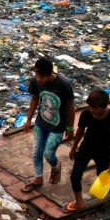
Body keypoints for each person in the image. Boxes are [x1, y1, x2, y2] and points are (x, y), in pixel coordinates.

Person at [64, 89, 110, 213]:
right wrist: (74, 147)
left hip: (104, 152)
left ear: (103, 106)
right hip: (86, 147)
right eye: (90, 106)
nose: (91, 110)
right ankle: (79, 202)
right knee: (75, 176)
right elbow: (80, 130)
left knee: (102, 178)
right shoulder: (86, 114)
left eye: (94, 108)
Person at [22, 58, 75, 192]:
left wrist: (70, 127)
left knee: (49, 153)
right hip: (41, 122)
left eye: (41, 76)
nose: (38, 79)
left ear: (49, 74)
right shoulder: (35, 81)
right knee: (36, 152)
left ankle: (56, 166)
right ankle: (38, 177)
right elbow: (35, 99)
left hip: (58, 126)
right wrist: (29, 119)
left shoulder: (64, 84)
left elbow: (70, 106)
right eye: (36, 75)